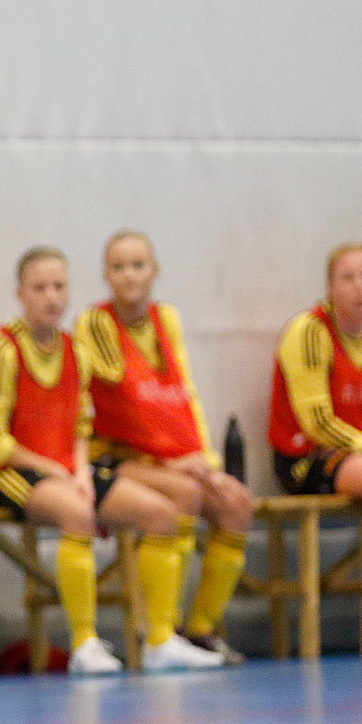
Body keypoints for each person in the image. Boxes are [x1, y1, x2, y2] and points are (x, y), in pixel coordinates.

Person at [0, 246, 223, 675]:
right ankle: (84, 643)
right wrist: (50, 469)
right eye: (39, 288)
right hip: (0, 470)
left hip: (62, 469)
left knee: (160, 514)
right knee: (77, 510)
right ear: (20, 294)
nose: (51, 297)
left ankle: (160, 640)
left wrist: (78, 470)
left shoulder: (73, 350)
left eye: (59, 287)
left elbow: (81, 424)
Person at [74, 231, 254, 665]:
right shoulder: (95, 324)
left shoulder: (166, 320)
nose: (129, 276)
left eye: (138, 265)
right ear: (105, 276)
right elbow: (130, 398)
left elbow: (181, 394)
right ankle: (161, 632)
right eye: (118, 267)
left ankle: (201, 630)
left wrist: (208, 463)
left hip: (168, 456)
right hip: (115, 453)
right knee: (184, 494)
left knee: (237, 504)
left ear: (155, 272)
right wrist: (175, 461)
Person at [269, 242, 362, 650]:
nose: (359, 288)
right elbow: (318, 422)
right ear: (330, 285)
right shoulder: (309, 332)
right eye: (348, 278)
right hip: (305, 455)